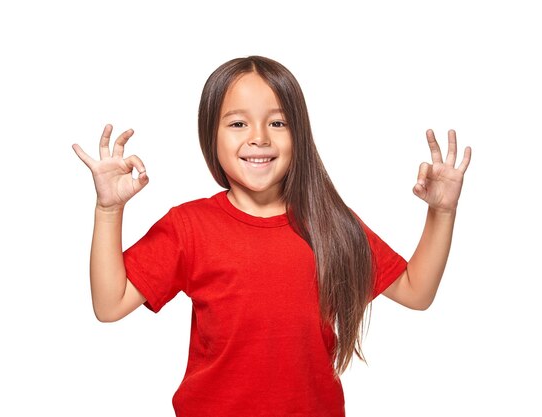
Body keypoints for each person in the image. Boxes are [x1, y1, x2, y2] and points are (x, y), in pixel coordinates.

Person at [72, 55, 471, 417]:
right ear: (211, 135)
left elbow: (417, 292)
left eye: (277, 122)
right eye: (238, 123)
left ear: (299, 134)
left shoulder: (331, 224)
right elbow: (110, 305)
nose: (259, 137)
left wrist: (442, 211)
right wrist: (109, 210)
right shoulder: (188, 226)